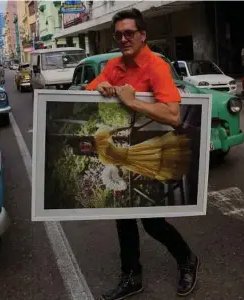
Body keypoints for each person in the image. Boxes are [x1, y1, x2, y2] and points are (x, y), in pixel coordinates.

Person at [85, 8, 199, 300]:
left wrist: (133, 103)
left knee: (153, 222)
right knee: (123, 219)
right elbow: (87, 92)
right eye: (118, 34)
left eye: (129, 33)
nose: (123, 39)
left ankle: (187, 259)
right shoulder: (113, 66)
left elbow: (173, 115)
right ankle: (131, 277)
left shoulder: (156, 66)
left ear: (142, 34)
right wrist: (103, 88)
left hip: (154, 153)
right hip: (125, 155)